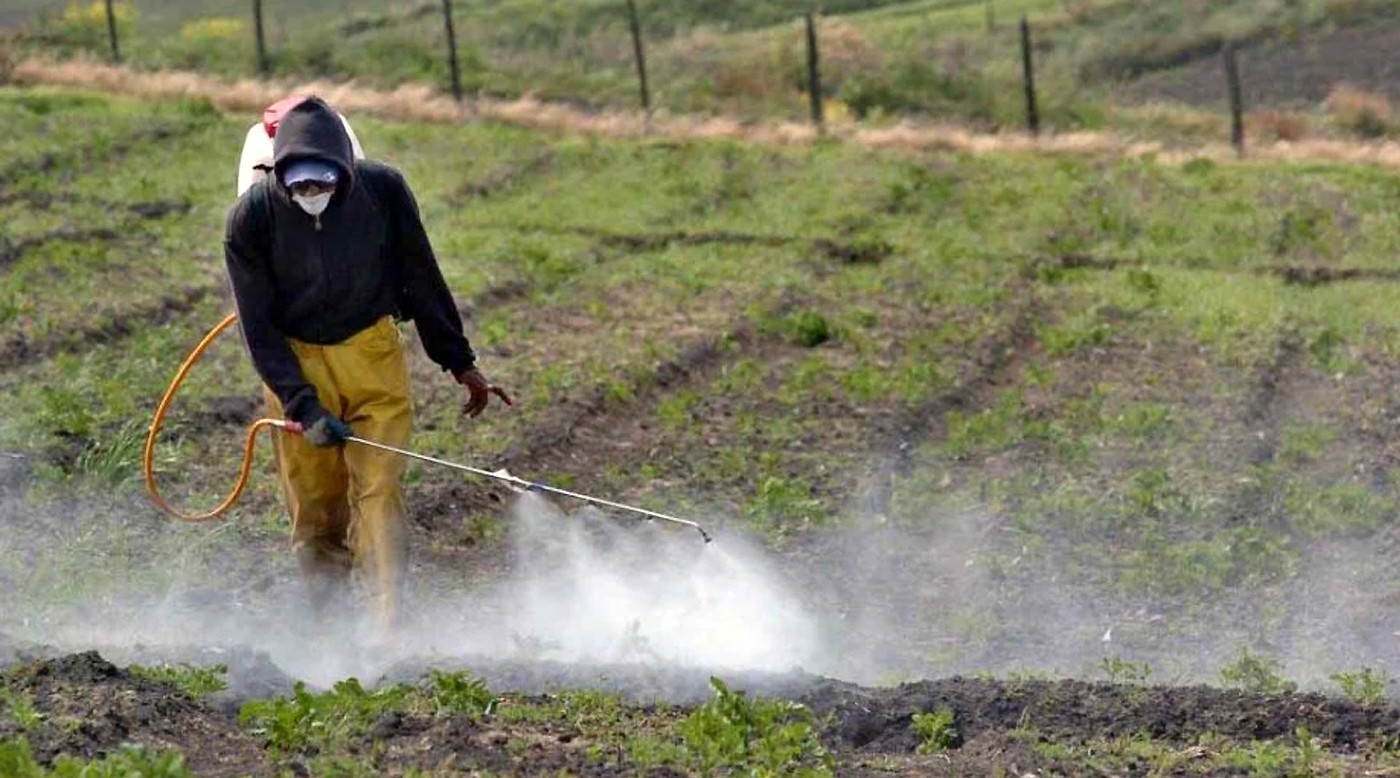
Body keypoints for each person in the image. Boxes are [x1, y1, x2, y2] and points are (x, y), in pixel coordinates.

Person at [223, 95, 512, 638]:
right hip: (295, 364)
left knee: (378, 493)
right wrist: (302, 405)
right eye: (301, 186)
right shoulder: (250, 220)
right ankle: (328, 632)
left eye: (324, 184)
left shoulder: (384, 192)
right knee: (316, 508)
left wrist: (460, 362)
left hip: (372, 354)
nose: (313, 195)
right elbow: (257, 330)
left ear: (345, 172)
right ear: (279, 177)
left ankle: (385, 635)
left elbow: (422, 276)